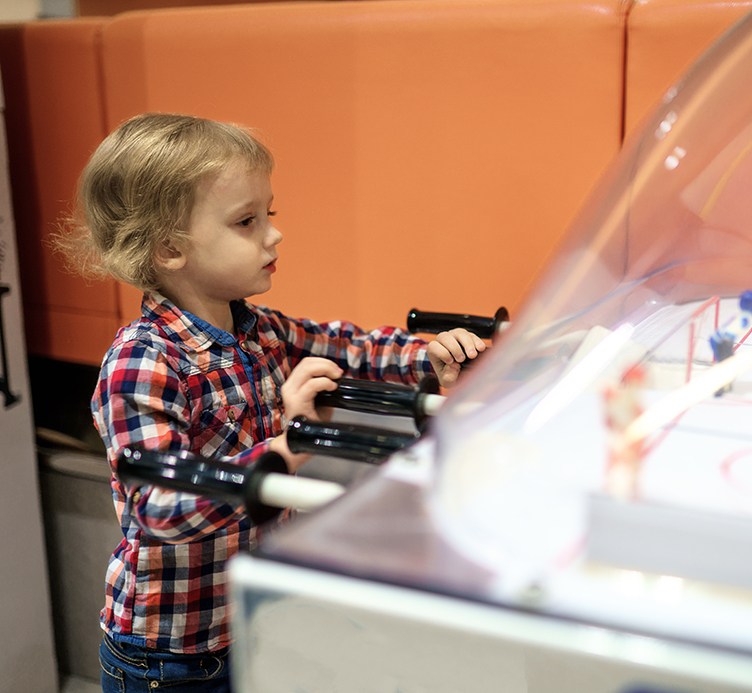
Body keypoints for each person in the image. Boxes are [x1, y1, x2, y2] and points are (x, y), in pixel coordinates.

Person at [56, 113, 486, 692]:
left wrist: (430, 358)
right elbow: (159, 509)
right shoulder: (143, 361)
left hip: (251, 621)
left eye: (269, 215)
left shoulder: (259, 330)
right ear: (170, 249)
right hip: (170, 655)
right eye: (245, 221)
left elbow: (351, 346)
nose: (273, 235)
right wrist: (291, 443)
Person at [708, 290, 752, 395]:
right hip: (722, 341)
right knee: (726, 365)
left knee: (728, 364)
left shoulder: (743, 315)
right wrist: (727, 342)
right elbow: (730, 332)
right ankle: (720, 387)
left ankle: (726, 384)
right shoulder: (746, 318)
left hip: (719, 340)